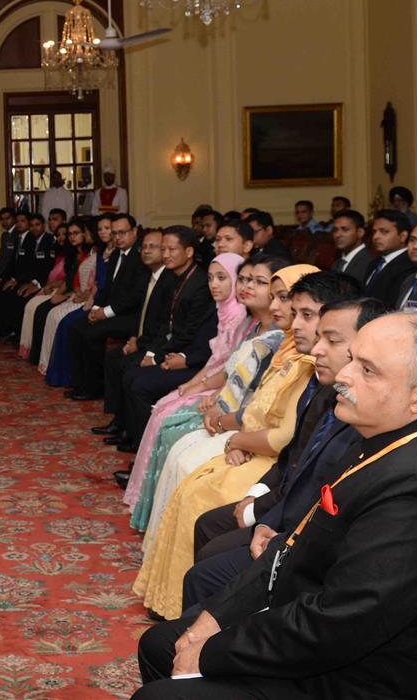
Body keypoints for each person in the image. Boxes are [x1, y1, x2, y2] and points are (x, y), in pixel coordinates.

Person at [134, 313, 417, 700]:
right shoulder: (383, 438)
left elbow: (342, 623)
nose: (344, 375)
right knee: (160, 644)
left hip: (379, 676)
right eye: (352, 358)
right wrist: (216, 617)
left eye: (368, 370)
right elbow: (295, 546)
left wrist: (212, 653)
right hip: (334, 633)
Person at [134, 266, 335, 620]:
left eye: (302, 311)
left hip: (267, 461)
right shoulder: (287, 348)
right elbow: (262, 409)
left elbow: (285, 441)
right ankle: (177, 601)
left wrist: (238, 439)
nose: (283, 311)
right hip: (259, 452)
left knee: (198, 492)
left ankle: (191, 610)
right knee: (189, 474)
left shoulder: (311, 365)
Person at [183, 296, 387, 609]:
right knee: (206, 539)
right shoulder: (326, 393)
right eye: (318, 337)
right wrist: (263, 515)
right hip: (287, 519)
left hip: (307, 547)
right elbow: (294, 460)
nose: (316, 349)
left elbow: (327, 500)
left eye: (330, 340)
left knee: (204, 573)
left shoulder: (370, 422)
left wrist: (277, 536)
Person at [126, 256, 279, 530]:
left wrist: (222, 414)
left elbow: (260, 395)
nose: (246, 287)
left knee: (173, 430)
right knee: (166, 417)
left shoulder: (277, 337)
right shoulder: (253, 324)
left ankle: (165, 524)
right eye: (243, 280)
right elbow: (232, 370)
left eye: (258, 282)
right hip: (227, 403)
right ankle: (155, 520)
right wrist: (207, 391)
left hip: (242, 416)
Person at [105, 228, 218, 456]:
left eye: (171, 249)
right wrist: (152, 352)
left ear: (188, 251)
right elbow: (166, 325)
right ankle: (132, 433)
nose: (165, 254)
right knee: (127, 369)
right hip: (176, 350)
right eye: (163, 249)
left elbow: (188, 333)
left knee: (137, 380)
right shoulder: (175, 278)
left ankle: (145, 449)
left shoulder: (199, 284)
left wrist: (157, 356)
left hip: (193, 360)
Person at [64, 215, 149, 398]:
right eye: (115, 233)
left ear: (134, 232)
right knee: (76, 328)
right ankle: (81, 383)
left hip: (132, 316)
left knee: (91, 333)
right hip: (113, 311)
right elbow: (106, 288)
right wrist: (96, 309)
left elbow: (136, 296)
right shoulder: (116, 253)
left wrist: (106, 312)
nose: (118, 237)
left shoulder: (141, 256)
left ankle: (95, 387)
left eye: (122, 233)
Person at [95, 229, 167, 437]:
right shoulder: (150, 276)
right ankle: (120, 420)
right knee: (113, 358)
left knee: (126, 367)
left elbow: (164, 325)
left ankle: (132, 431)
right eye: (143, 247)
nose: (146, 251)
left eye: (152, 247)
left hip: (158, 345)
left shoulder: (168, 280)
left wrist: (144, 345)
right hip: (143, 338)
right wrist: (135, 338)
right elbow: (143, 316)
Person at [35, 218, 99, 373]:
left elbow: (95, 282)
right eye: (70, 234)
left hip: (88, 298)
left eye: (77, 233)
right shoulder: (79, 253)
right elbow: (73, 278)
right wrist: (71, 292)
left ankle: (62, 370)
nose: (71, 237)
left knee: (58, 318)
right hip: (77, 294)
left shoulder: (93, 253)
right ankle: (47, 363)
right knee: (47, 312)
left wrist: (79, 294)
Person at [0, 212, 55, 341]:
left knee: (17, 294)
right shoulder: (30, 240)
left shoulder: (49, 240)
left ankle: (18, 333)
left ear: (44, 225)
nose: (34, 228)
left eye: (37, 225)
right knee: (3, 290)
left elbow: (48, 267)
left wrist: (34, 283)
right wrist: (10, 279)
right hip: (27, 279)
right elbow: (20, 264)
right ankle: (7, 328)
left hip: (43, 281)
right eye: (31, 225)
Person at [17, 221, 75, 360]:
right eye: (58, 235)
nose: (61, 237)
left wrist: (54, 287)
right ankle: (31, 350)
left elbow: (70, 280)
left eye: (65, 234)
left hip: (65, 290)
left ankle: (44, 355)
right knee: (31, 305)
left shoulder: (73, 254)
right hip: (53, 287)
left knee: (41, 309)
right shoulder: (58, 252)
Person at [363, 209, 415, 306]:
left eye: (384, 232)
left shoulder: (410, 265)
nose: (376, 236)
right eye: (374, 231)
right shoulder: (374, 263)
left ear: (403, 236)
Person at [328, 208, 373, 285]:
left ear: (360, 232)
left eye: (344, 229)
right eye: (335, 230)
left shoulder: (369, 262)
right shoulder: (338, 262)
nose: (338, 235)